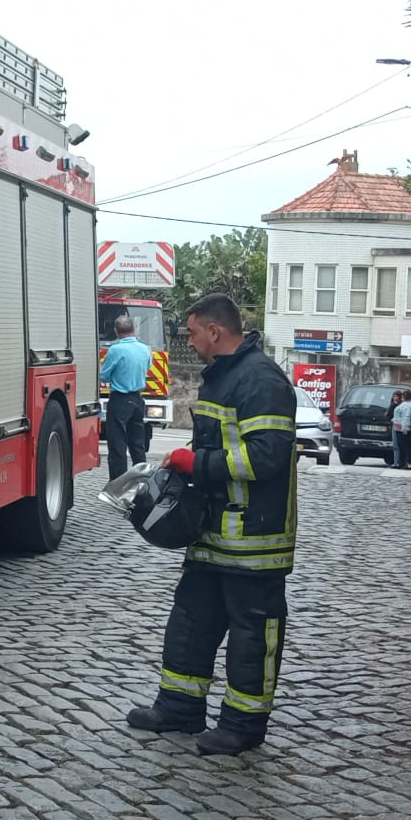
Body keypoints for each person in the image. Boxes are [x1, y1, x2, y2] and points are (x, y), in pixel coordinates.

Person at [127, 293, 298, 756]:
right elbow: (223, 444)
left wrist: (196, 463)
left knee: (251, 635)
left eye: (193, 332)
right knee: (190, 621)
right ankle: (179, 708)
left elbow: (267, 456)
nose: (191, 341)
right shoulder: (224, 376)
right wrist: (188, 462)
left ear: (215, 331)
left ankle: (242, 726)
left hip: (255, 539)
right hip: (212, 532)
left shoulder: (260, 380)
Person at [100, 314, 153, 471]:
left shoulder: (115, 350)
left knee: (117, 446)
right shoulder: (144, 349)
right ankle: (141, 479)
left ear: (116, 331)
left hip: (120, 400)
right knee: (138, 445)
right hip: (137, 400)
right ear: (133, 329)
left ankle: (119, 481)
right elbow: (148, 367)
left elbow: (104, 375)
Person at [392, 390, 411, 470]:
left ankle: (407, 463)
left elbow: (406, 417)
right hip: (408, 428)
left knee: (404, 446)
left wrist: (404, 429)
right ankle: (404, 463)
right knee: (406, 445)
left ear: (403, 397)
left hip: (401, 428)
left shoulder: (405, 406)